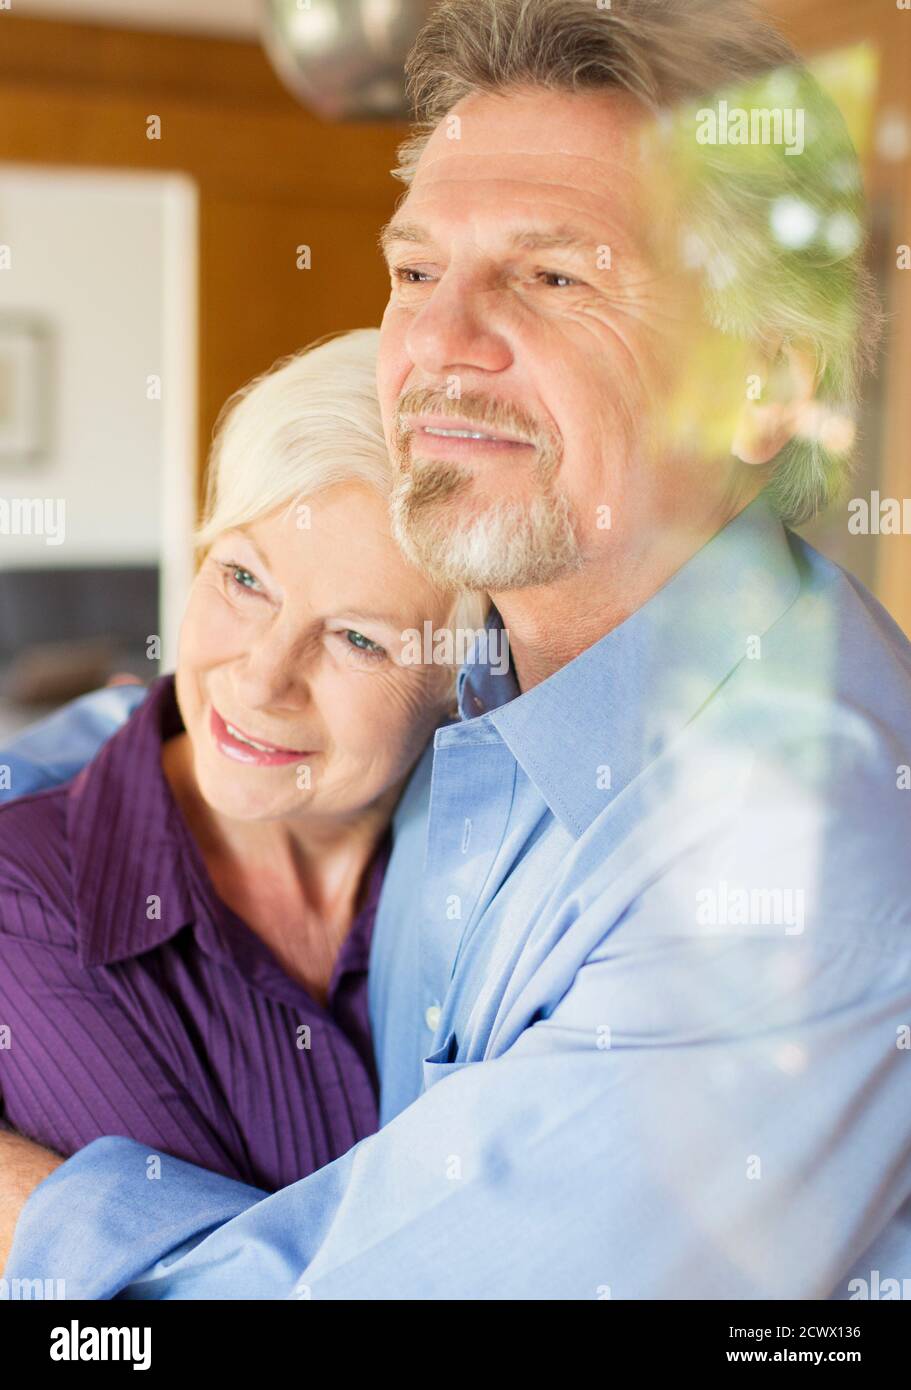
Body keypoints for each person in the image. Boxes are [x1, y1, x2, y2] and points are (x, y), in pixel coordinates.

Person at [3, 0, 911, 1299]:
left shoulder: (796, 863)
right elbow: (196, 711)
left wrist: (25, 1207)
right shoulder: (497, 623)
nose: (432, 346)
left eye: (553, 276)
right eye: (416, 271)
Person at [0, 328, 481, 1203]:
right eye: (244, 579)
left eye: (358, 638)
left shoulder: (492, 880)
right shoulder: (26, 901)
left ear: (462, 679)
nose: (260, 679)